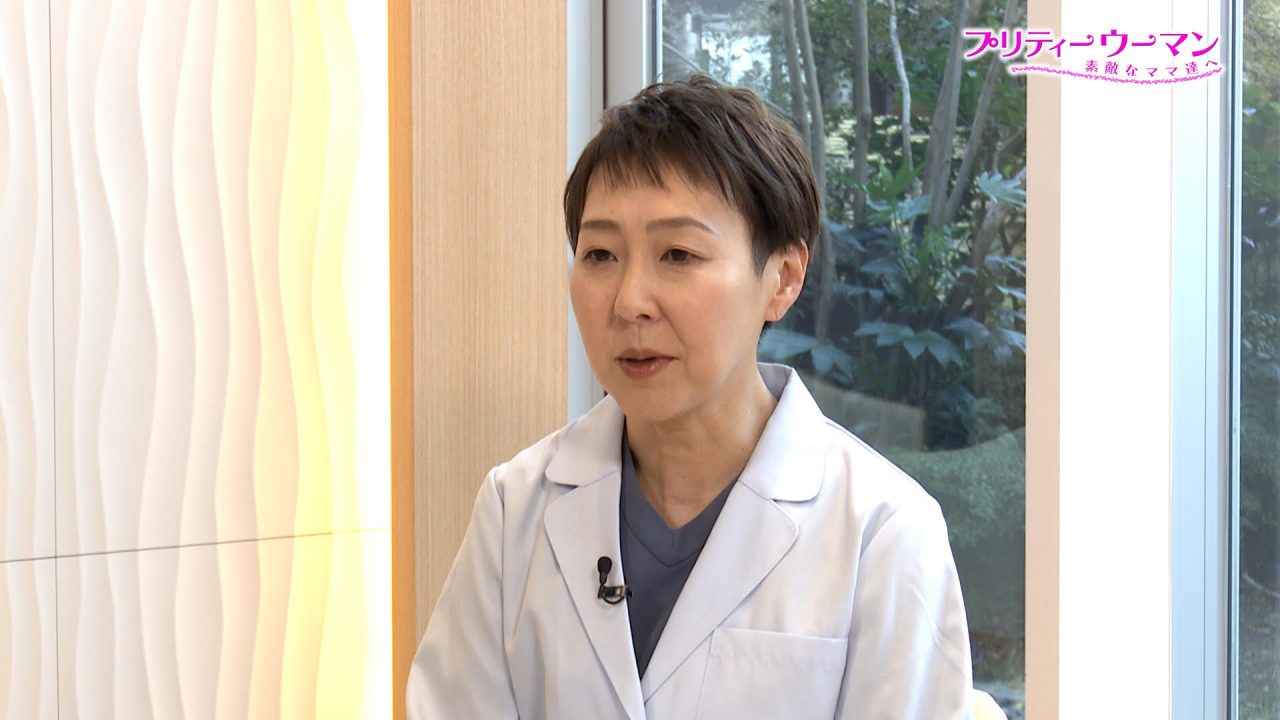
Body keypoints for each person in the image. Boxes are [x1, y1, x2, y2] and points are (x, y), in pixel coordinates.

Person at [406, 74, 973, 719]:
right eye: (600, 254)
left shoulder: (882, 530)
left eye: (677, 254)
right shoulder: (517, 507)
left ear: (783, 278)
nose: (629, 302)